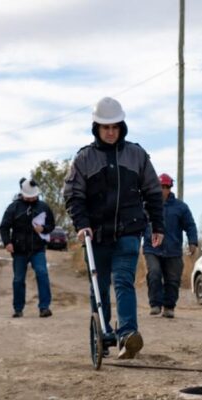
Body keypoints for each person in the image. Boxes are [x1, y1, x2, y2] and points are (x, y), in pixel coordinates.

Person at [64, 96, 164, 360]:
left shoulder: (137, 155)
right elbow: (73, 195)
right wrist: (82, 224)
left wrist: (157, 224)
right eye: (105, 127)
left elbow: (153, 192)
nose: (110, 132)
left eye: (115, 127)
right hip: (95, 235)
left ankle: (128, 335)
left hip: (129, 231)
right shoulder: (84, 158)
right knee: (99, 284)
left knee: (123, 281)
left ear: (122, 127)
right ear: (96, 128)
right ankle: (104, 332)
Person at [143, 173, 198, 319]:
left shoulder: (181, 207)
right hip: (152, 248)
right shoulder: (147, 206)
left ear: (169, 188)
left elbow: (190, 225)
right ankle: (155, 304)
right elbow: (138, 223)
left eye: (165, 187)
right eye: (159, 187)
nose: (162, 190)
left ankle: (169, 307)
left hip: (173, 250)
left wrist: (193, 242)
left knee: (173, 280)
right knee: (154, 273)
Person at [0, 178, 56, 318]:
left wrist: (43, 228)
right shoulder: (13, 208)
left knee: (42, 274)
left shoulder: (43, 207)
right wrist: (7, 243)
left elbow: (51, 225)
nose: (32, 199)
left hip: (38, 249)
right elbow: (4, 227)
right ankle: (18, 309)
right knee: (18, 279)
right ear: (23, 194)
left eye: (34, 196)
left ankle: (44, 308)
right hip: (19, 251)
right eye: (29, 196)